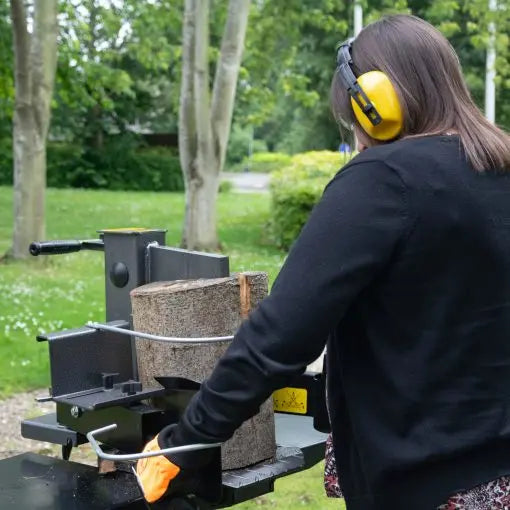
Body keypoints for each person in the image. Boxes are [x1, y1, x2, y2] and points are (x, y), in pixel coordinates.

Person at [135, 14, 510, 510]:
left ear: (375, 104)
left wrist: (186, 439)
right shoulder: (500, 168)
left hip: (427, 484)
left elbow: (280, 335)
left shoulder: (383, 178)